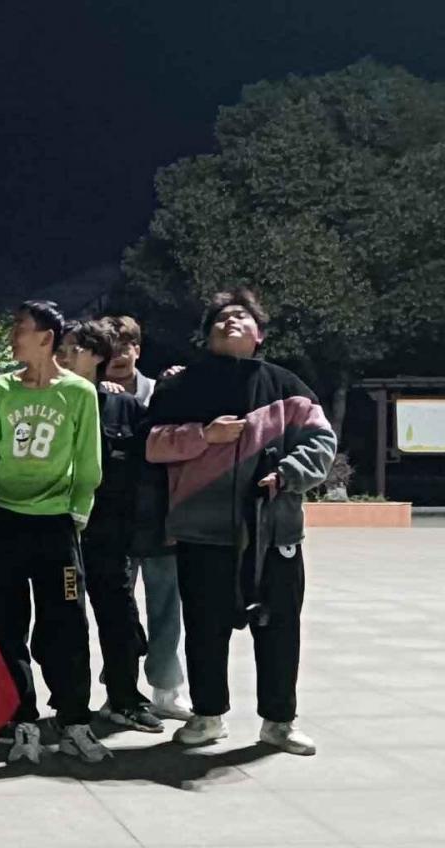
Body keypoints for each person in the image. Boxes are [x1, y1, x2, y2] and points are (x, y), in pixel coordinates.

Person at [145, 288, 336, 755]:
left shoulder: (287, 386)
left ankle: (279, 722)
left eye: (241, 317)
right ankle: (208, 716)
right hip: (200, 530)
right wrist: (203, 436)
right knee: (204, 629)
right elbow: (151, 444)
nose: (230, 322)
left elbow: (321, 442)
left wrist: (288, 473)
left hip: (275, 532)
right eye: (221, 319)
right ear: (207, 335)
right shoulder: (181, 386)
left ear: (260, 334)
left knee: (280, 628)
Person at [0, 300, 111, 764]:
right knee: (7, 625)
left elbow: (89, 462)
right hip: (4, 521)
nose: (13, 336)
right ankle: (23, 723)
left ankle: (73, 722)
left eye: (20, 327)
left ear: (46, 338)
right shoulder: (1, 389)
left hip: (56, 526)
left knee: (67, 625)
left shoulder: (79, 393)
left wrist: (77, 515)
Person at [56, 321, 162, 732]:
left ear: (98, 355)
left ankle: (125, 698)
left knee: (119, 619)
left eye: (74, 348)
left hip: (111, 535)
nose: (64, 356)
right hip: (60, 535)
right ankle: (70, 706)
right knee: (66, 623)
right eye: (60, 349)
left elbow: (144, 475)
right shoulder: (47, 402)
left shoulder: (125, 407)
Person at [104, 314, 191, 720]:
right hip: (111, 523)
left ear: (138, 349)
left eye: (126, 345)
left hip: (159, 517)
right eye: (111, 347)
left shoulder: (164, 392)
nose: (119, 354)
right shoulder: (88, 395)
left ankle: (166, 689)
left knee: (166, 609)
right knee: (117, 612)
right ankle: (119, 688)